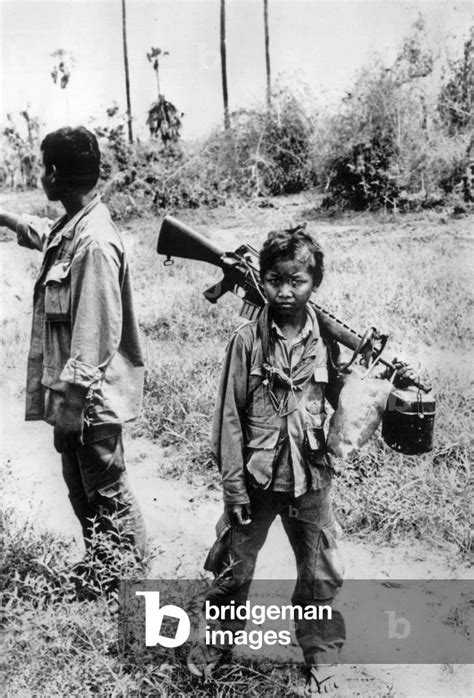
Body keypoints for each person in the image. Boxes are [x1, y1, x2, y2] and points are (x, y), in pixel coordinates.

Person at [187, 225, 412, 694]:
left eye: (298, 281)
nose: (285, 291)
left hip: (311, 478)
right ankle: (214, 648)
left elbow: (349, 403)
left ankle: (322, 655)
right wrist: (232, 488)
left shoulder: (329, 343)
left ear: (315, 283)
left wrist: (387, 383)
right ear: (259, 280)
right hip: (255, 478)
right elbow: (227, 419)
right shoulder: (247, 340)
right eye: (274, 280)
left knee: (318, 574)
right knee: (234, 568)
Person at [0, 126, 147, 577]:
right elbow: (44, 234)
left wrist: (72, 403)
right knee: (81, 487)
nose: (41, 175)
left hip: (89, 398)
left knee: (108, 491)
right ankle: (104, 573)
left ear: (56, 174)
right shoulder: (74, 227)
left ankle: (136, 582)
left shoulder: (95, 242)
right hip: (75, 395)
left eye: (45, 167)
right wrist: (4, 217)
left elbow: (96, 332)